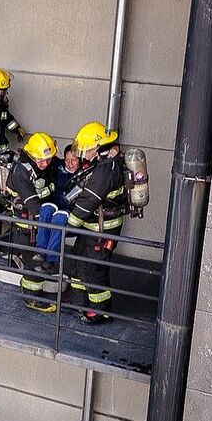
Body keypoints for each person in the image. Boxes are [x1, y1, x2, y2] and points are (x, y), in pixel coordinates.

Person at [65, 121, 128, 325]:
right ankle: (79, 303)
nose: (84, 154)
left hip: (101, 230)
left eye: (88, 149)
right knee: (78, 264)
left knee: (93, 270)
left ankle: (100, 311)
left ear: (99, 148)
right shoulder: (102, 164)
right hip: (91, 227)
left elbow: (88, 200)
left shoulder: (106, 170)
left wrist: (68, 226)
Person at [6, 133, 61, 313]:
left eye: (48, 159)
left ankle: (32, 291)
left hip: (37, 223)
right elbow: (33, 205)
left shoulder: (43, 165)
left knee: (39, 258)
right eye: (41, 160)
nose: (45, 163)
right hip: (26, 224)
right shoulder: (21, 171)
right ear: (31, 155)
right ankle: (32, 300)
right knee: (33, 261)